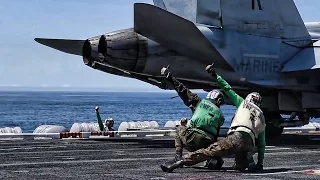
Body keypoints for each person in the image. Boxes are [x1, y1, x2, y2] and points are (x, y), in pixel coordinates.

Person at [160, 63, 266, 173]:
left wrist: (214, 74)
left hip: (232, 138)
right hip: (248, 143)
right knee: (239, 165)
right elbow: (262, 144)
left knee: (207, 150)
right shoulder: (261, 117)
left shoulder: (242, 103)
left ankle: (179, 160)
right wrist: (260, 163)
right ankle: (247, 158)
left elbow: (227, 88)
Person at [160, 66, 226, 169]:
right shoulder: (221, 116)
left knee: (179, 129)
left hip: (191, 139)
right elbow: (215, 135)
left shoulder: (199, 102)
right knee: (214, 150)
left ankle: (178, 157)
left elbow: (182, 90)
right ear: (219, 101)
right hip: (206, 144)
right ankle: (211, 161)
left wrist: (169, 76)